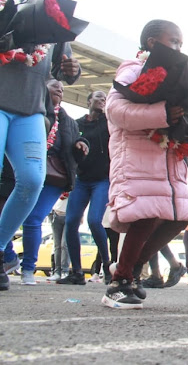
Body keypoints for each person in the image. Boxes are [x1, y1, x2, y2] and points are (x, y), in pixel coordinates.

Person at [102, 19, 188, 309]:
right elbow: (116, 110)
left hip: (170, 160)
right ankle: (118, 283)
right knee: (145, 216)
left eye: (181, 43)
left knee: (180, 217)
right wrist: (162, 113)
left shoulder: (180, 74)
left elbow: (186, 112)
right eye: (173, 42)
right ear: (151, 44)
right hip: (138, 158)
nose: (178, 47)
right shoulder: (133, 69)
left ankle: (132, 270)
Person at [0, 0, 81, 292]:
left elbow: (64, 72)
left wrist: (70, 69)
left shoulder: (53, 21)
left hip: (32, 110)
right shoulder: (3, 5)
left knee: (32, 180)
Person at [3, 79, 88, 285]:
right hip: (16, 173)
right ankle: (8, 257)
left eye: (62, 88)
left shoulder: (67, 120)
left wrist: (81, 144)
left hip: (53, 177)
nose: (59, 89)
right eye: (54, 85)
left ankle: (29, 269)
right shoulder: (25, 112)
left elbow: (76, 142)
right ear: (40, 88)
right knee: (6, 216)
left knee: (33, 219)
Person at [59, 90, 112, 286]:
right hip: (81, 179)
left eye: (105, 99)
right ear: (89, 101)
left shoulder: (109, 122)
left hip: (102, 180)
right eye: (98, 97)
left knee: (94, 221)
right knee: (71, 222)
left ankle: (107, 265)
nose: (102, 100)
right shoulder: (77, 124)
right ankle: (77, 272)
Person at [46, 197, 69, 281]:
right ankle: (57, 272)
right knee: (57, 245)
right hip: (55, 213)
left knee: (64, 244)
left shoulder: (73, 186)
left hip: (69, 214)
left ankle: (64, 271)